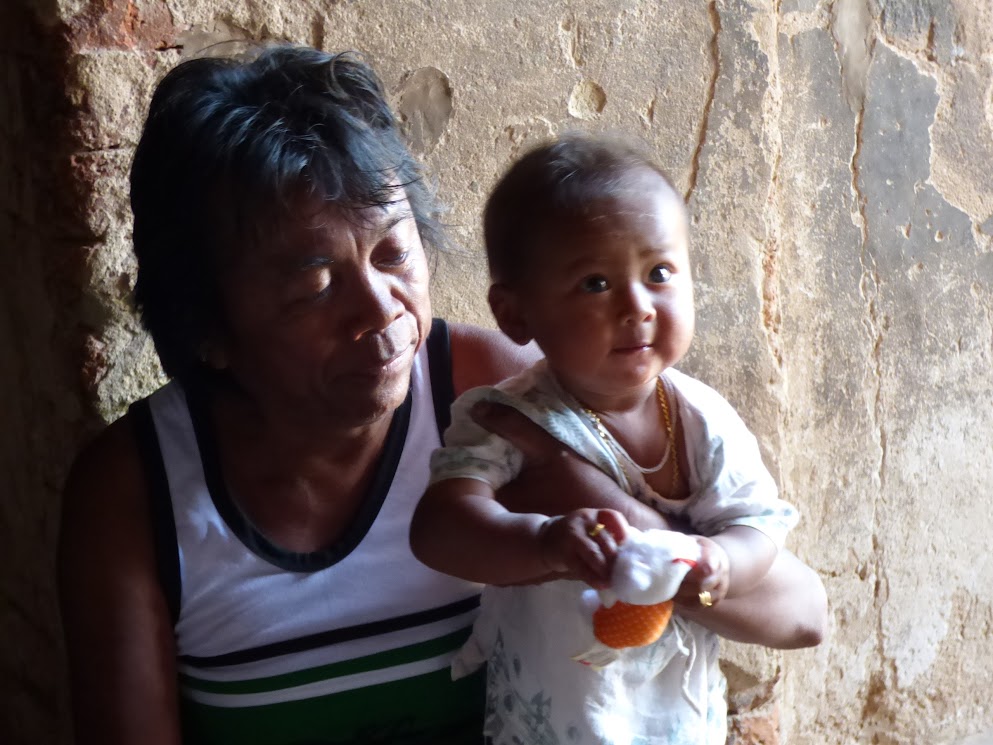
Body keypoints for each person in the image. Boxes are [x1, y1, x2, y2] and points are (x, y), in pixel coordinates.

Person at [56, 44, 826, 745]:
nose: (381, 307)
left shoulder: (491, 389)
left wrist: (584, 494)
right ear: (208, 328)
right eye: (315, 286)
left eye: (395, 250)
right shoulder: (135, 490)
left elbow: (798, 613)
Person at [410, 135, 818, 744]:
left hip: (679, 721)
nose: (637, 306)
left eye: (659, 273)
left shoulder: (703, 419)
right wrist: (544, 542)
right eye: (595, 284)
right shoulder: (508, 417)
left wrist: (721, 562)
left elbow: (757, 525)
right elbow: (440, 529)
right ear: (515, 314)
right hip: (546, 721)